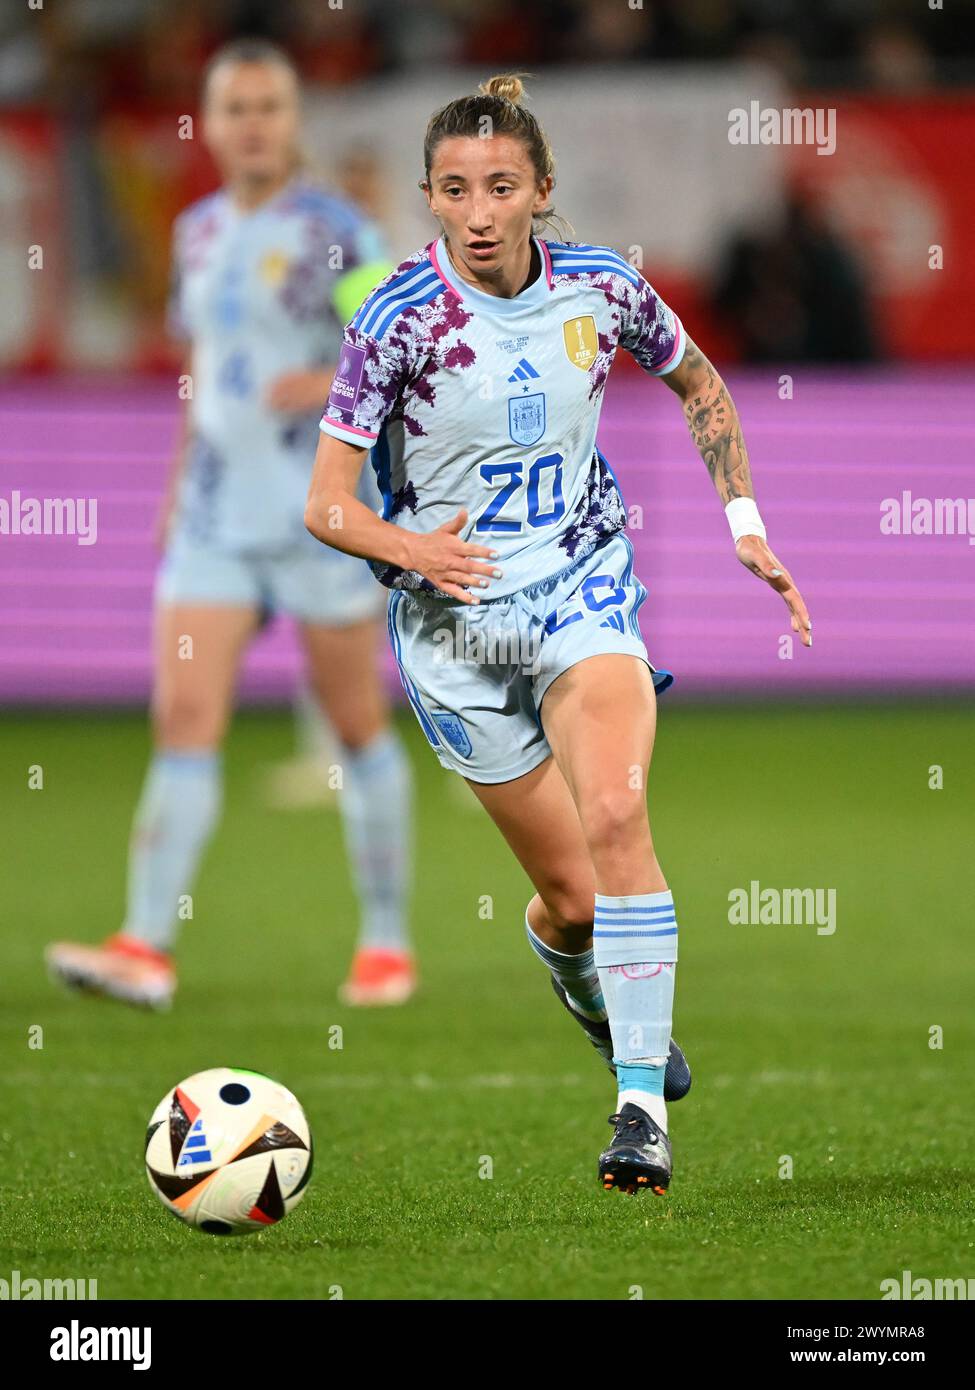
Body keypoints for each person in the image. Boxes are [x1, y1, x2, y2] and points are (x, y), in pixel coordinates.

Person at [304, 72, 812, 1195]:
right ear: (429, 199)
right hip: (459, 637)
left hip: (583, 593)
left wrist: (744, 521)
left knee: (622, 812)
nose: (478, 211)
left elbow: (701, 383)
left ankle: (640, 1113)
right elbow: (327, 504)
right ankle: (598, 1004)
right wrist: (409, 549)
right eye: (453, 189)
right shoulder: (395, 319)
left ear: (541, 189)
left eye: (499, 186)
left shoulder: (604, 288)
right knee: (575, 901)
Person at [46, 39, 416, 1010]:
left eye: (269, 107)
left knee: (354, 723)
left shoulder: (337, 231)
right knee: (184, 718)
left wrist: (326, 381)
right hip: (216, 509)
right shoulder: (199, 232)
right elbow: (205, 373)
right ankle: (147, 944)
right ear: (208, 125)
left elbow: (389, 349)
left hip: (317, 512)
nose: (252, 124)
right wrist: (175, 484)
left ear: (294, 122)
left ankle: (384, 940)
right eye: (235, 109)